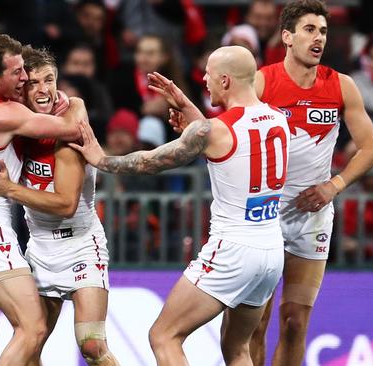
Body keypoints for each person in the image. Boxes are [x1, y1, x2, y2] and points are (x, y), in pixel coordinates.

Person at [71, 45, 290, 366]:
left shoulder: (212, 131)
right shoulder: (277, 118)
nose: (204, 79)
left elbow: (149, 162)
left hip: (233, 250)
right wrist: (189, 108)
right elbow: (235, 143)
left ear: (226, 81)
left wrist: (100, 158)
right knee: (238, 349)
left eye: (210, 75)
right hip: (270, 251)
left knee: (164, 335)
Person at [0, 33, 86, 366]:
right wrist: (73, 103)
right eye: (17, 73)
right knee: (33, 328)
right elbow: (72, 130)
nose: (24, 79)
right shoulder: (2, 114)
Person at [249, 1, 373, 365]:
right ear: (287, 37)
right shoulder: (262, 81)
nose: (318, 37)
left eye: (322, 30)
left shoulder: (342, 86)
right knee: (255, 322)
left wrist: (333, 186)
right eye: (309, 29)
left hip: (313, 216)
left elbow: (369, 150)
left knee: (295, 322)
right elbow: (228, 132)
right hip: (264, 215)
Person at [0, 45, 120, 366]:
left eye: (50, 80)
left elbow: (66, 204)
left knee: (93, 346)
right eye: (34, 83)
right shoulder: (18, 124)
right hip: (39, 249)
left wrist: (10, 189)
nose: (44, 90)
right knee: (29, 344)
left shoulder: (67, 132)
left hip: (82, 245)